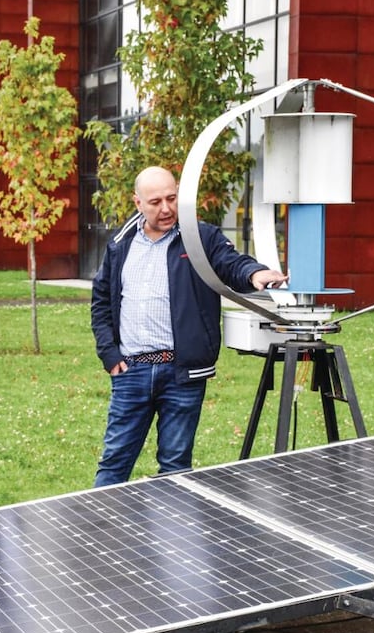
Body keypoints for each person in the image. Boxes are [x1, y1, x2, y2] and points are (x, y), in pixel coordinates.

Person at [90, 166, 287, 487]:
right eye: (155, 202)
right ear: (137, 202)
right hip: (131, 371)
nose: (166, 208)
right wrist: (110, 355)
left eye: (172, 198)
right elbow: (101, 302)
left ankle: (173, 536)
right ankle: (99, 531)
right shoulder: (120, 244)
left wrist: (256, 275)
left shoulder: (199, 237)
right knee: (114, 461)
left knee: (176, 465)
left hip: (182, 372)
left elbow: (232, 263)